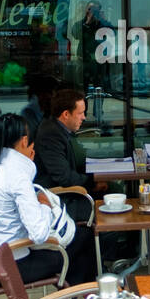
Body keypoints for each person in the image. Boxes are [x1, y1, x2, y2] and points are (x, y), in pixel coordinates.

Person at [0, 113, 97, 287]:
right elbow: (39, 234)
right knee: (82, 237)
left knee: (77, 242)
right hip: (13, 267)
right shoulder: (18, 177)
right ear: (24, 141)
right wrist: (45, 206)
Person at [34, 88, 105, 221]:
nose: (84, 117)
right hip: (61, 200)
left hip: (68, 194)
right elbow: (64, 177)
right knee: (108, 214)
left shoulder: (59, 129)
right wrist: (93, 183)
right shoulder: (51, 135)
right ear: (66, 114)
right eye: (80, 113)